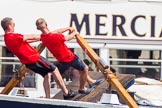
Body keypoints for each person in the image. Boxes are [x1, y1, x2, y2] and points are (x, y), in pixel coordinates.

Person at [1, 17, 76, 99]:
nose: (14, 26)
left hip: (28, 63)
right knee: (55, 69)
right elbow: (31, 36)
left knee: (46, 74)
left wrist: (42, 38)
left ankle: (47, 97)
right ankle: (66, 93)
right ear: (9, 26)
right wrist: (45, 36)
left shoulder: (6, 39)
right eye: (13, 24)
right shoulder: (13, 36)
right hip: (34, 59)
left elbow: (27, 41)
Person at [35, 18, 103, 95]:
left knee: (80, 69)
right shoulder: (55, 36)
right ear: (46, 24)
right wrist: (74, 32)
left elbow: (56, 31)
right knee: (85, 68)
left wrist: (68, 28)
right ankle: (82, 88)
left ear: (38, 28)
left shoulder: (43, 37)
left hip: (61, 60)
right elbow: (68, 38)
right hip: (69, 57)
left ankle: (91, 81)